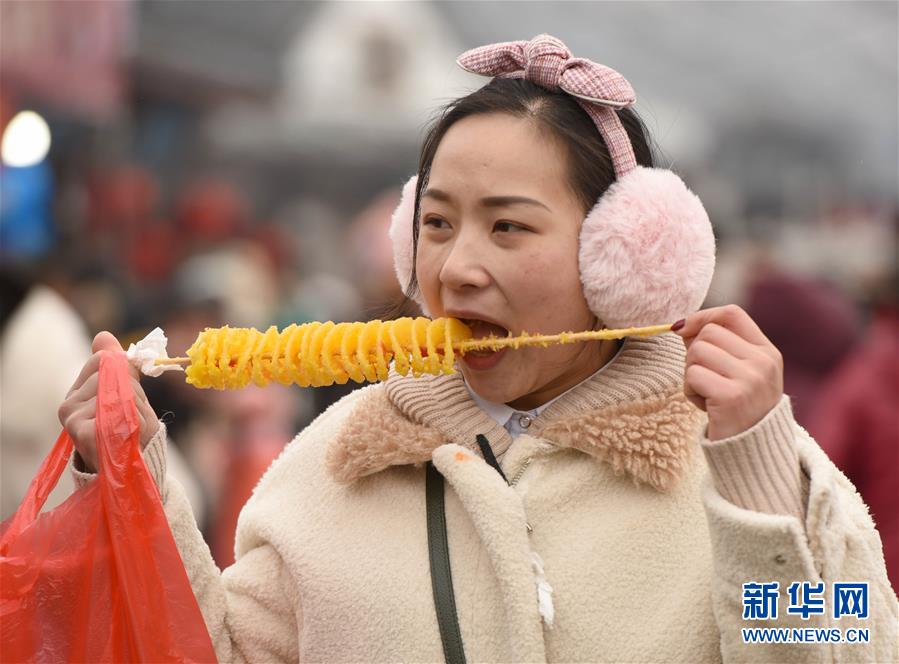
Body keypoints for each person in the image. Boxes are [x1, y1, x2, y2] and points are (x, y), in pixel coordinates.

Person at [58, 35, 897, 662]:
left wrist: (753, 489)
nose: (457, 268)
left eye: (507, 226)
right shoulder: (330, 468)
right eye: (436, 224)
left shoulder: (763, 467)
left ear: (622, 253)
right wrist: (133, 481)